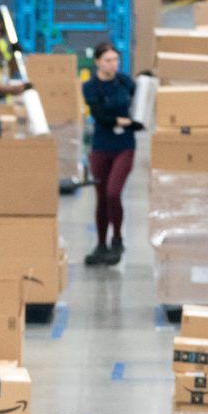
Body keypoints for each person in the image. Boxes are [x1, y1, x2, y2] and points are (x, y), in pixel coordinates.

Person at [81, 42, 141, 267]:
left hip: (124, 145)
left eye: (115, 60)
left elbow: (141, 106)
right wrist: (123, 121)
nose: (112, 64)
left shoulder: (126, 82)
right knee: (101, 197)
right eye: (107, 60)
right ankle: (100, 244)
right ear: (97, 62)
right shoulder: (90, 87)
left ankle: (117, 239)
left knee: (113, 193)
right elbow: (100, 116)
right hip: (101, 145)